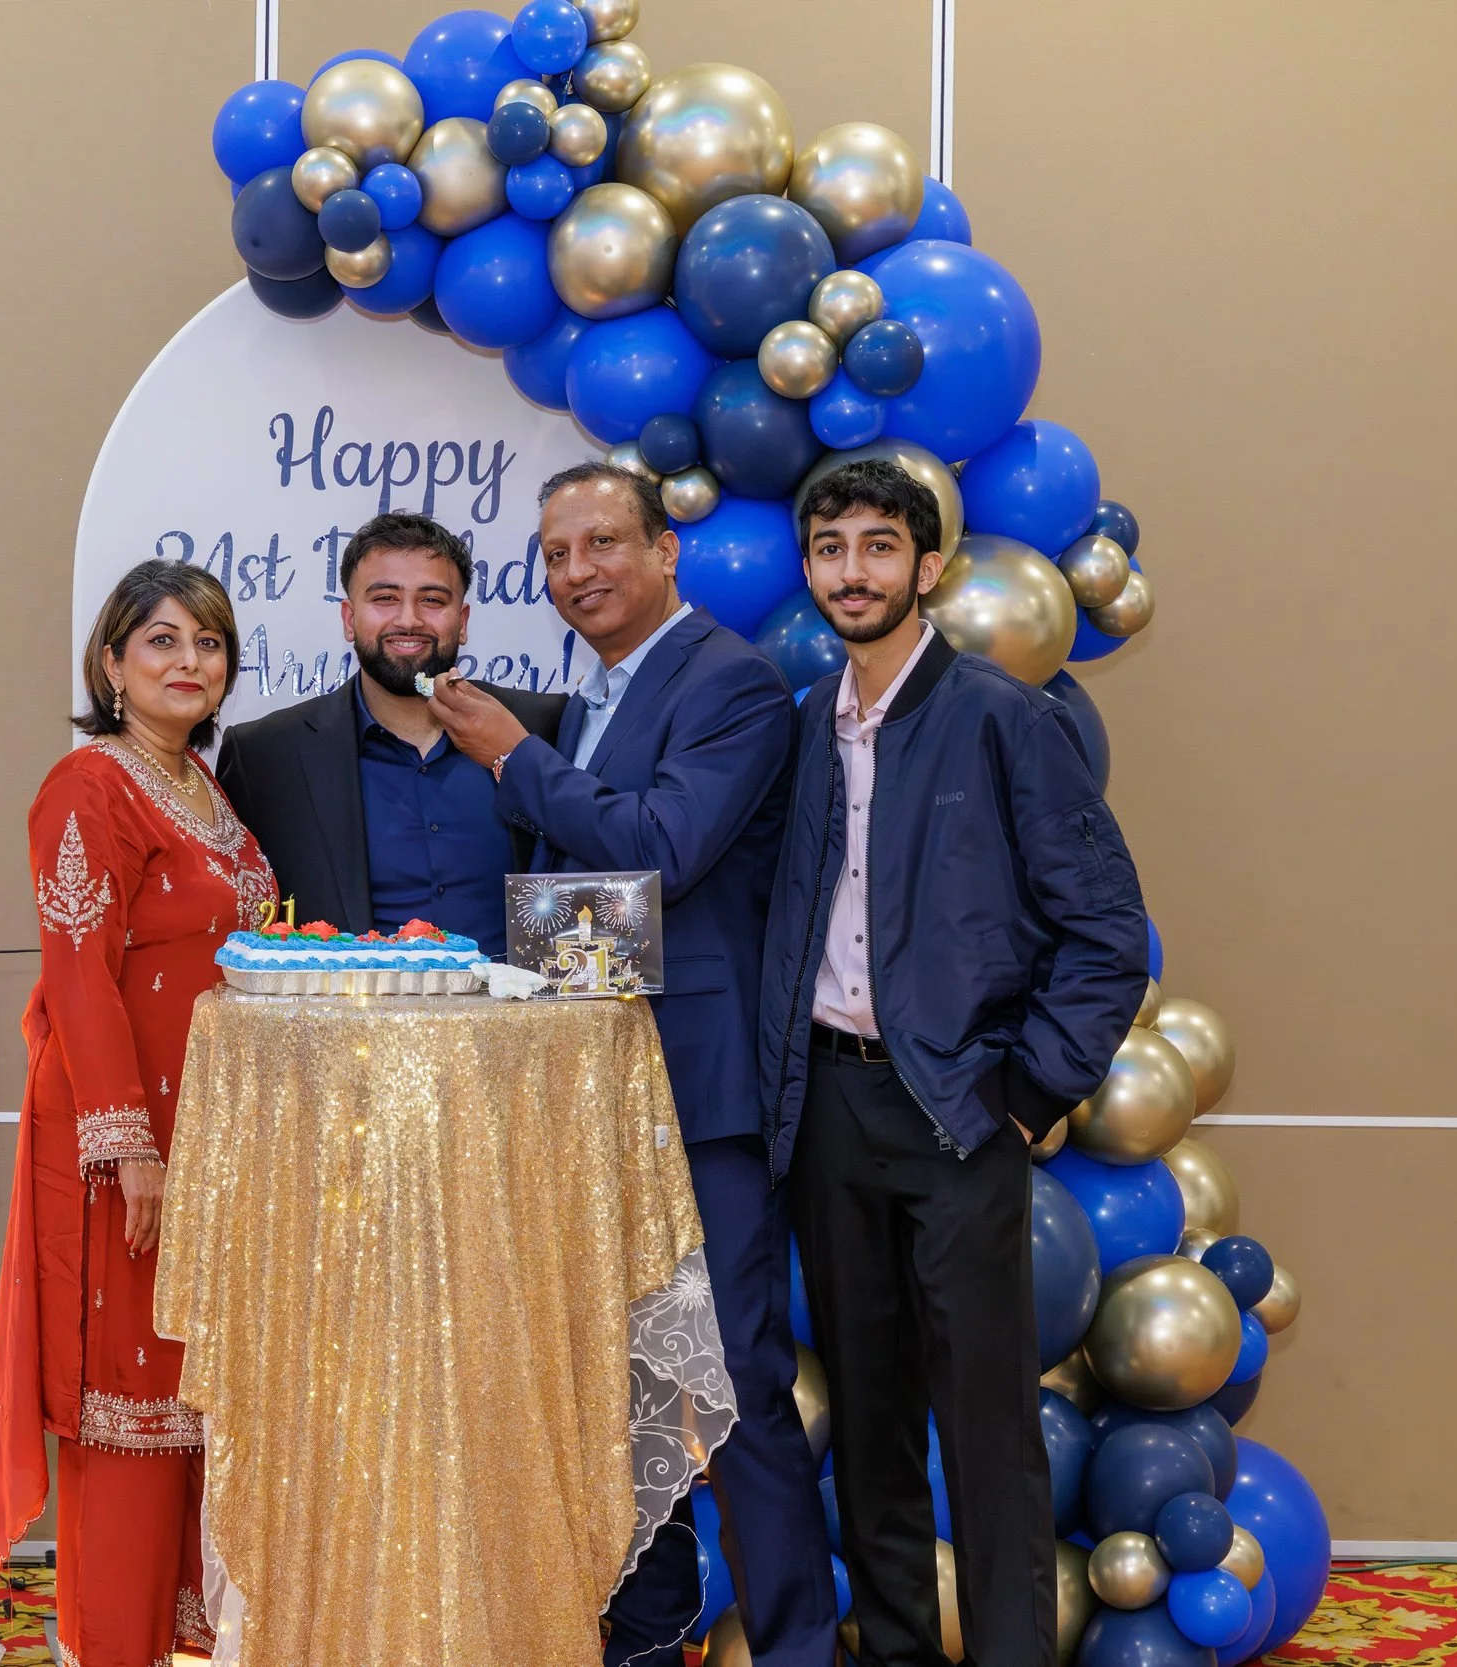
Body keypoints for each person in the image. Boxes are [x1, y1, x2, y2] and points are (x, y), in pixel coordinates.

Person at [430, 463, 836, 1667]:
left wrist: (512, 756)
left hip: (696, 1095)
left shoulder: (733, 682)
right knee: (612, 1386)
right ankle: (646, 1636)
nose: (577, 572)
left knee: (738, 1388)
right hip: (588, 1092)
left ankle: (802, 1647)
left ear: (667, 550)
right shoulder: (590, 698)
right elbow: (586, 902)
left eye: (602, 542)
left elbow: (659, 849)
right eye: (556, 554)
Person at [756, 461, 1149, 1667]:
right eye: (830, 549)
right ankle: (895, 1645)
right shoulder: (804, 726)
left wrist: (1026, 1092)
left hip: (954, 1113)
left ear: (927, 568)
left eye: (879, 546)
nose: (852, 571)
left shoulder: (1001, 717)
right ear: (809, 569)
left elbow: (1106, 931)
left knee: (983, 1426)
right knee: (869, 1415)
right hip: (827, 1104)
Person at [0, 560, 276, 1667]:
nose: (187, 663)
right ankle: (106, 1644)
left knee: (192, 1401)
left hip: (215, 1143)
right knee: (129, 1408)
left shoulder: (204, 788)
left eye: (207, 644)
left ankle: (179, 1640)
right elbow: (80, 973)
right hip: (130, 1149)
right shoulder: (91, 786)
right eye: (160, 641)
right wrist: (127, 1144)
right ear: (110, 663)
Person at [217, 511, 566, 954]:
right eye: (384, 598)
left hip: (529, 1019)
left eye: (433, 600)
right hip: (345, 1021)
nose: (409, 619)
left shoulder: (541, 727)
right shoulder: (266, 756)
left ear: (462, 621)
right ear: (349, 618)